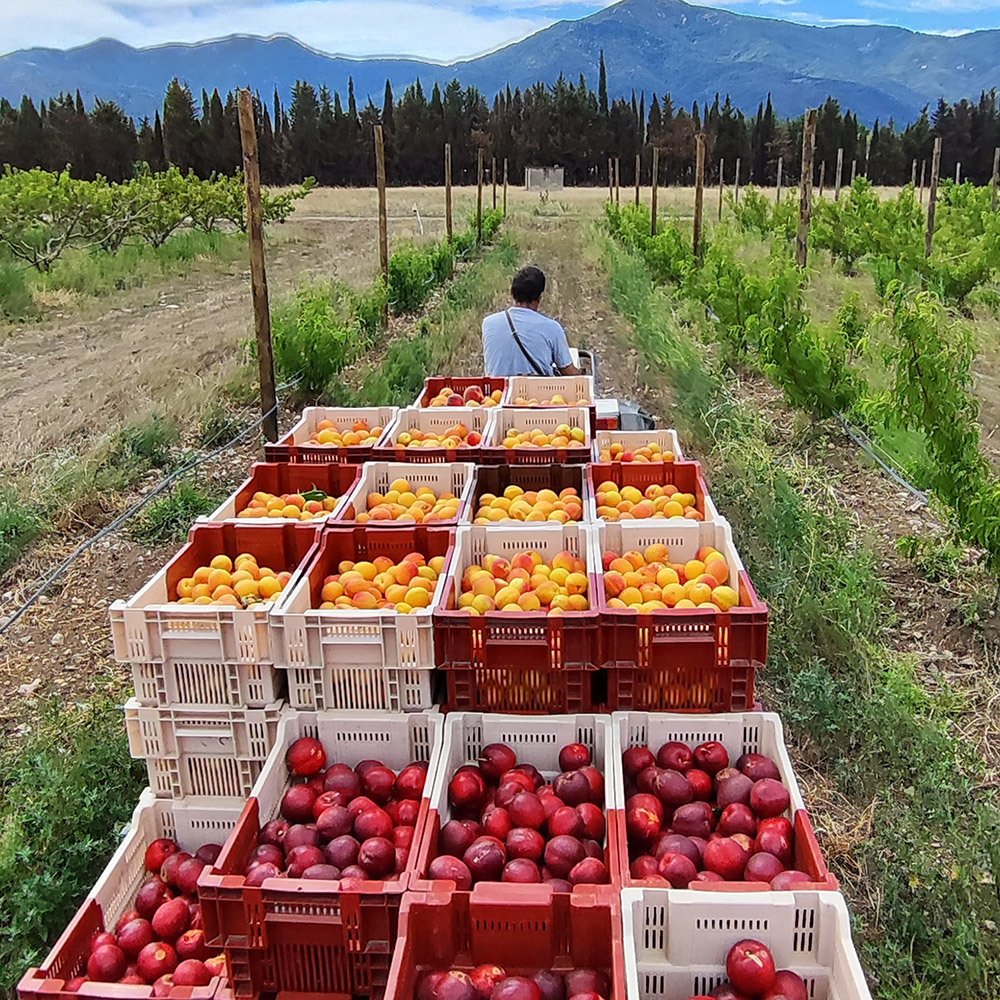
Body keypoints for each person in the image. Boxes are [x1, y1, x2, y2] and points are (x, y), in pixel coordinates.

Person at [482, 266, 582, 376]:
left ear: (512, 294)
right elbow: (569, 373)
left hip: (498, 391)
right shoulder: (552, 328)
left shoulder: (488, 323)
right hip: (540, 391)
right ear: (539, 298)